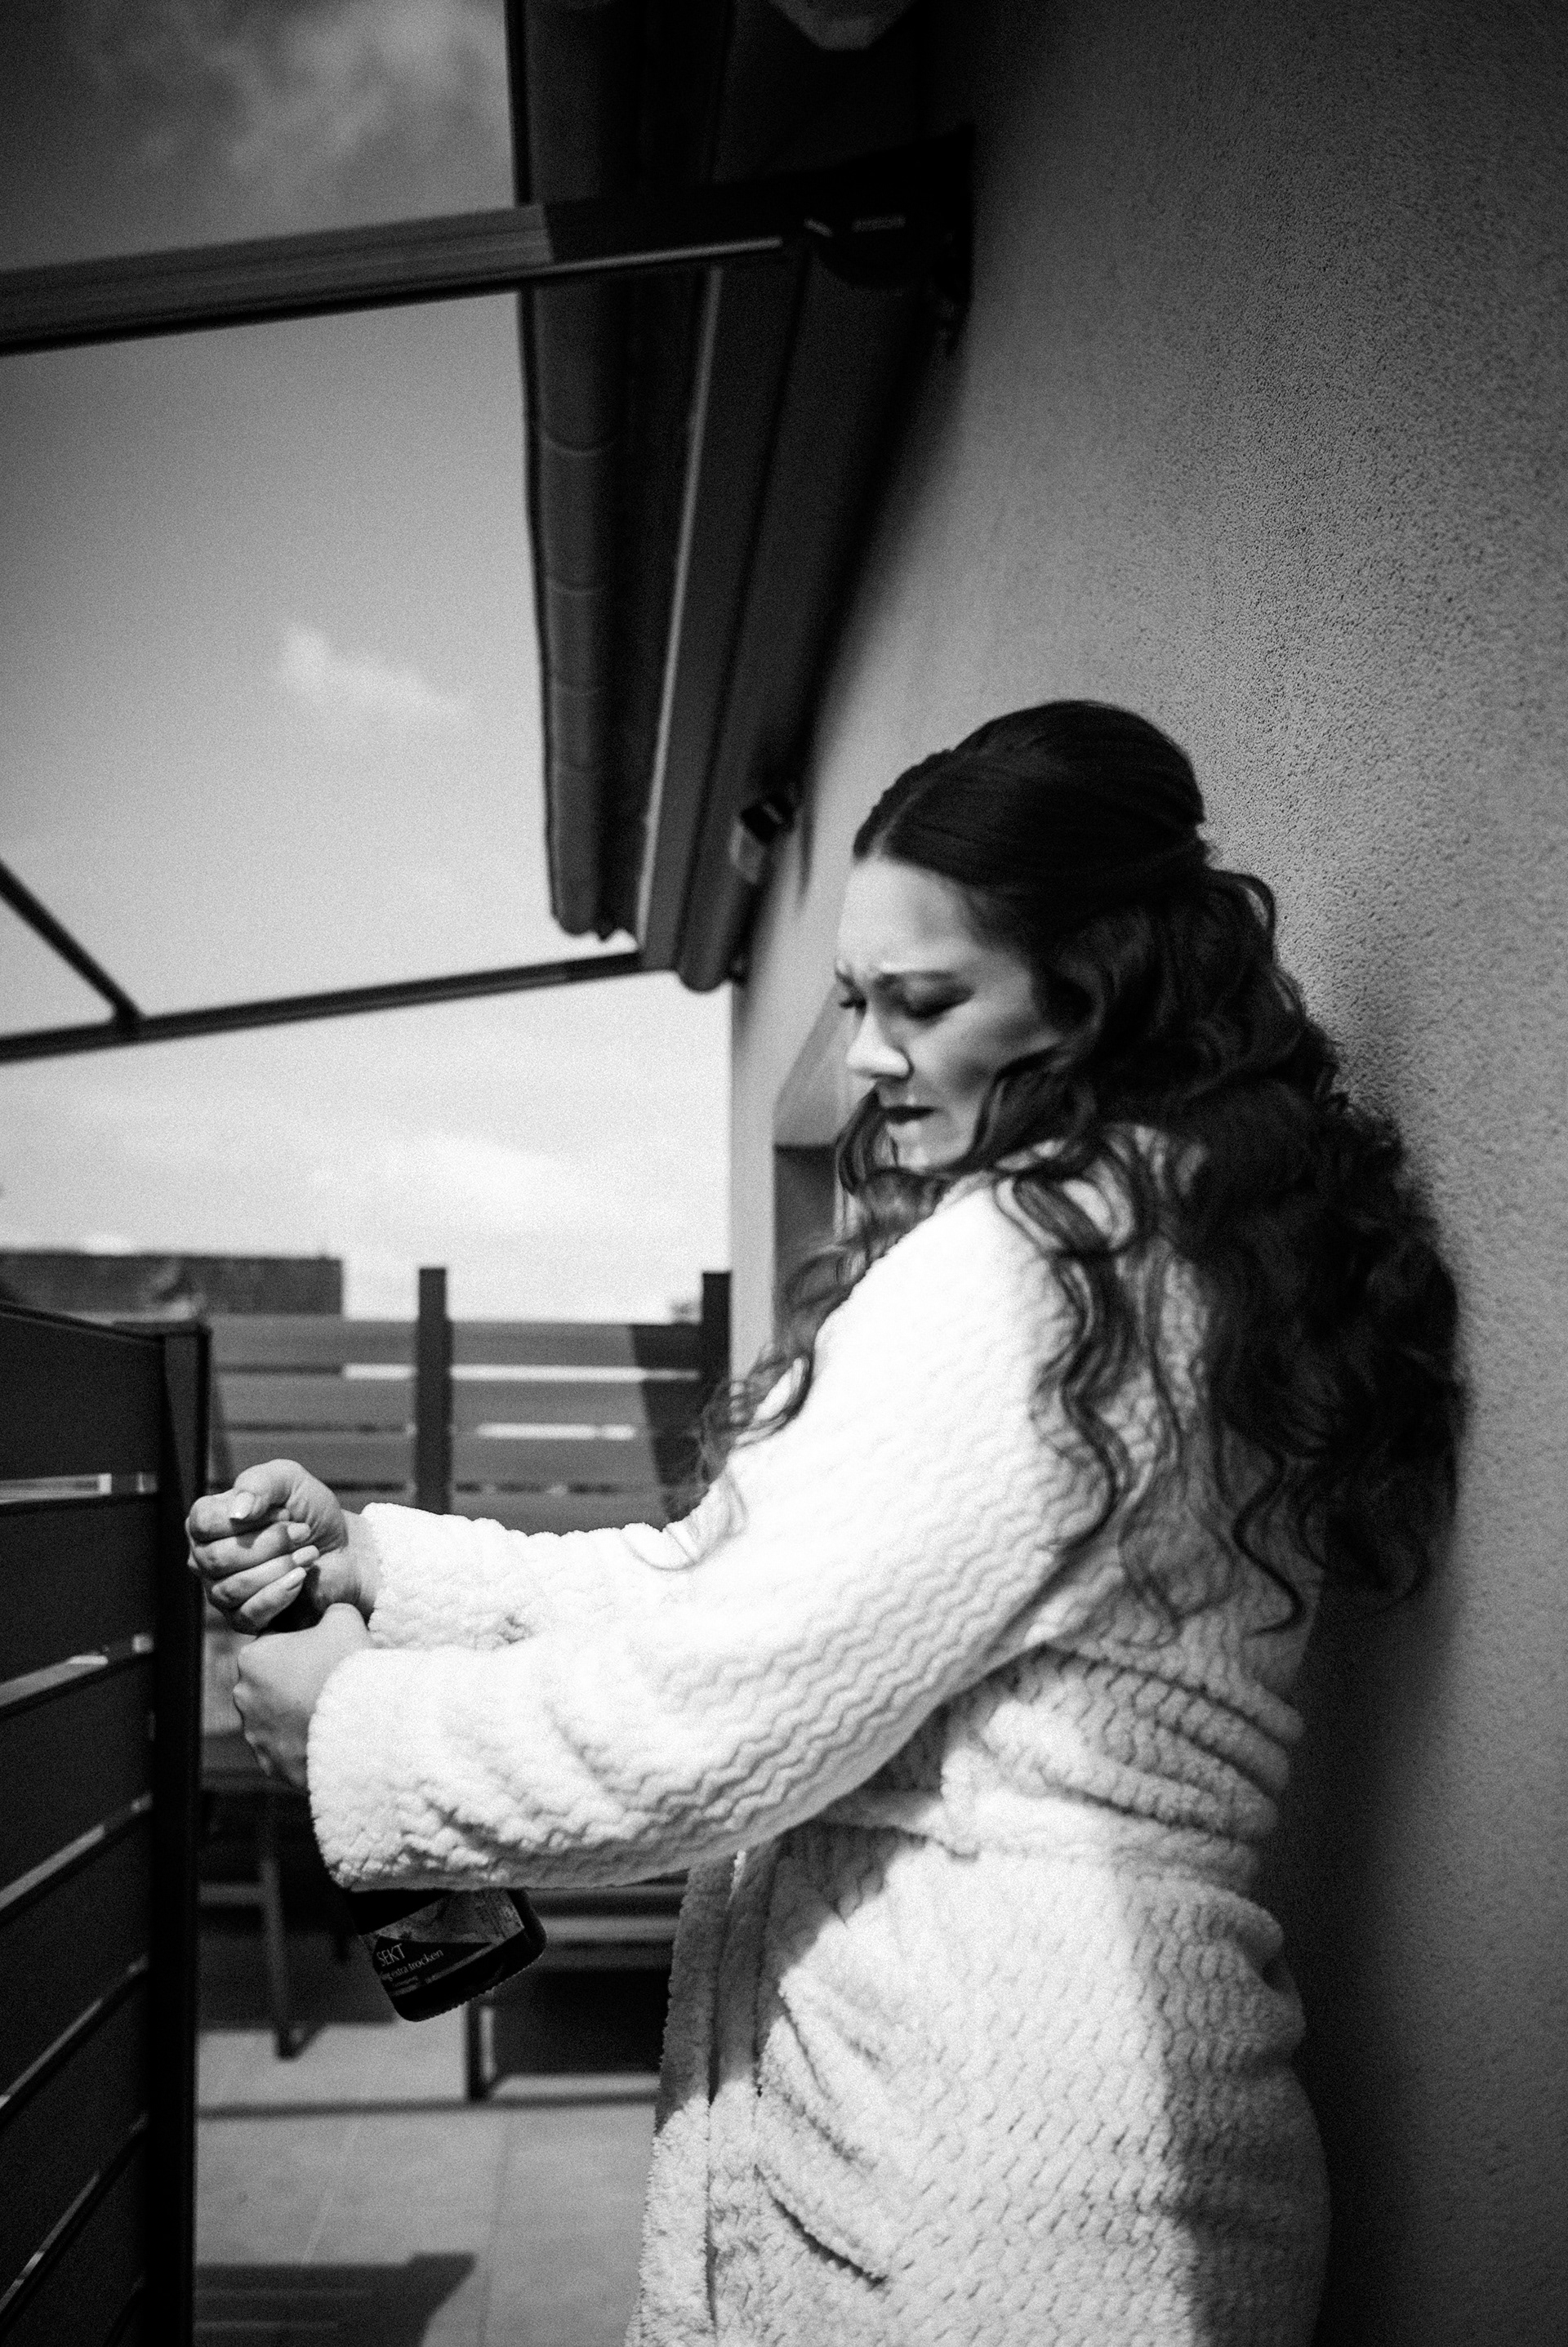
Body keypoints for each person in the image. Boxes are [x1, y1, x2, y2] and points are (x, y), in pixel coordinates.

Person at [188, 701, 1463, 2346]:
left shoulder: (1037, 1275)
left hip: (989, 2187)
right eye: (857, 1000)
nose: (865, 1056)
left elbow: (713, 1715)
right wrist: (386, 1563)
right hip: (1040, 2141)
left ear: (1098, 984)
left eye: (922, 1002)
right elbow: (719, 1583)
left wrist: (358, 1732)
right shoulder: (1157, 1248)